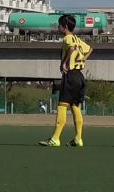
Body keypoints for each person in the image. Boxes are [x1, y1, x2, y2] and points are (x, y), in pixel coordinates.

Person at [39, 14, 93, 147]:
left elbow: (71, 48)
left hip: (71, 76)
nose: (58, 27)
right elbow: (90, 49)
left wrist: (64, 63)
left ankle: (55, 138)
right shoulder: (77, 39)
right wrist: (83, 59)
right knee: (75, 107)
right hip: (80, 76)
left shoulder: (68, 38)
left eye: (60, 25)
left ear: (65, 27)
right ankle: (78, 138)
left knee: (62, 105)